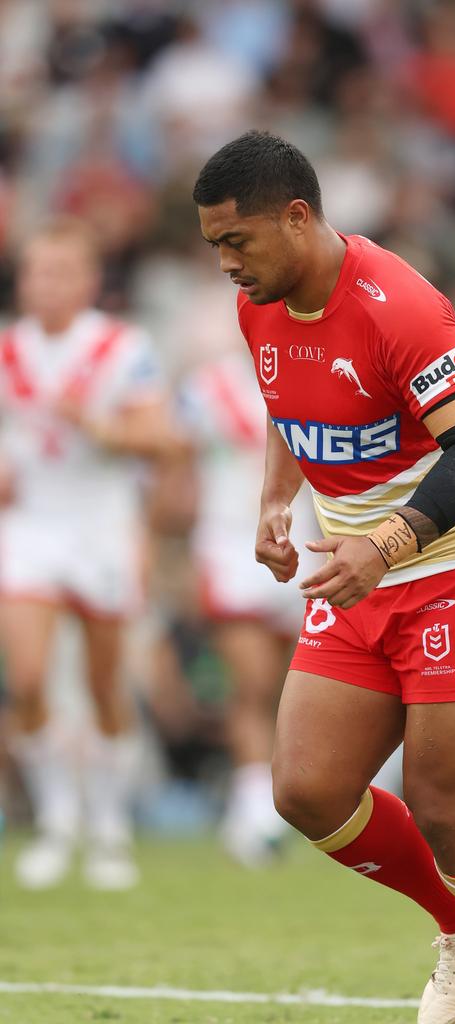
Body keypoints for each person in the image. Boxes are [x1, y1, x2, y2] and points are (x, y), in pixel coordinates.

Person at [193, 131, 455, 1024]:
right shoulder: (260, 307)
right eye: (212, 246)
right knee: (307, 791)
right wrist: (275, 504)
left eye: (235, 241)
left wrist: (388, 543)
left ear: (297, 217)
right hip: (355, 574)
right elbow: (294, 412)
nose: (224, 265)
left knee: (444, 809)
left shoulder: (400, 304)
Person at [0, 218, 172, 890]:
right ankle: (57, 820)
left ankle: (108, 826)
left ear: (88, 280)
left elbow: (161, 438)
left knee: (105, 684)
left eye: (60, 272)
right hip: (32, 527)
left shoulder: (122, 348)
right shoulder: (8, 349)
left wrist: (96, 426)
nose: (45, 285)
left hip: (102, 524)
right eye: (36, 272)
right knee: (31, 678)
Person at [176, 323, 319, 866]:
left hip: (307, 536)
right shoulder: (204, 388)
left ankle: (301, 799)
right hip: (229, 543)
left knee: (304, 686)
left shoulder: (315, 374)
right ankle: (256, 806)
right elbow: (179, 470)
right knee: (251, 682)